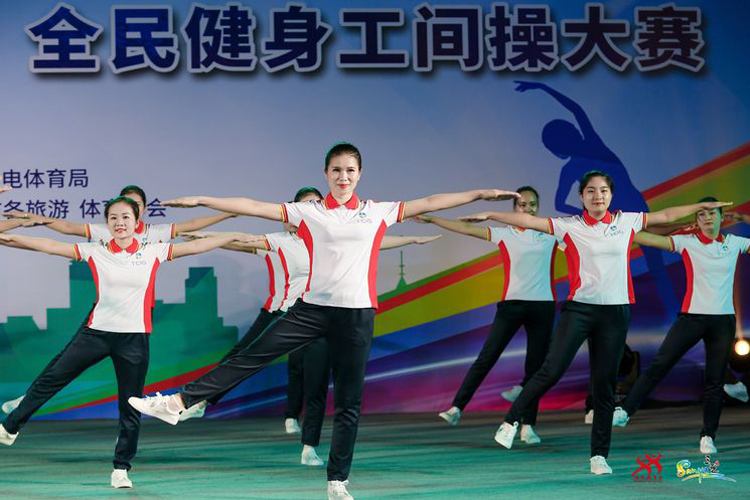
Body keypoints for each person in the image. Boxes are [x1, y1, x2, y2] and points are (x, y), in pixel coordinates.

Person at [128, 142, 519, 500]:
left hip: (357, 315)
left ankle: (337, 481)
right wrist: (202, 199)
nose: (343, 177)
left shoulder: (378, 211)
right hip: (311, 310)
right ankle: (178, 402)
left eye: (350, 170)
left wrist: (481, 193)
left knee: (349, 400)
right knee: (251, 355)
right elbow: (253, 205)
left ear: (359, 174)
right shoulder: (309, 212)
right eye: (336, 170)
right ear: (326, 174)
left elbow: (432, 201)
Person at [460, 170, 729, 475]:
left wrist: (700, 207)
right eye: (590, 191)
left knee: (604, 386)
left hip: (615, 314)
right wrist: (490, 214)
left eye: (603, 190)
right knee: (551, 369)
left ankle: (599, 456)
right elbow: (528, 221)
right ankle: (511, 421)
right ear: (582, 196)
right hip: (580, 310)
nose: (597, 196)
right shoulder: (570, 226)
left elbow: (665, 215)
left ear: (611, 195)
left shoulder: (626, 221)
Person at [0, 196, 257, 488]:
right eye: (113, 218)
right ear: (107, 223)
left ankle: (121, 468)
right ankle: (10, 428)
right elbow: (47, 245)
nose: (119, 223)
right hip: (95, 334)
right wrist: (9, 238)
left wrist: (232, 236)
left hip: (133, 339)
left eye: (125, 217)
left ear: (137, 222)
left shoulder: (154, 251)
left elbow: (196, 246)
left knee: (130, 404)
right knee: (52, 378)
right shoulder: (95, 251)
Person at [1, 185, 237, 415]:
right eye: (117, 213)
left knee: (130, 391)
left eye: (134, 206)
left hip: (136, 316)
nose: (121, 220)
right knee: (64, 361)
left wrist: (230, 213)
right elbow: (63, 232)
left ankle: (132, 430)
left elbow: (194, 228)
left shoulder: (155, 236)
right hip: (104, 312)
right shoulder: (107, 232)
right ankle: (28, 401)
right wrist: (30, 221)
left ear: (141, 210)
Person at [425, 186, 560, 446]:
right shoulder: (505, 234)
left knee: (535, 367)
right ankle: (457, 408)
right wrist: (432, 219)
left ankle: (528, 425)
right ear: (514, 208)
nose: (528, 209)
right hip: (512, 305)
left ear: (538, 207)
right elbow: (465, 228)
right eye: (522, 205)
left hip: (542, 306)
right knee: (487, 357)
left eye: (532, 204)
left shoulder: (551, 234)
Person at [612, 199, 749, 454]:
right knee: (659, 366)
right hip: (691, 319)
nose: (708, 218)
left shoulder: (735, 243)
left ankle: (708, 436)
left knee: (714, 382)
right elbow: (642, 237)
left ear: (722, 217)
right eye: (702, 214)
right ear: (696, 220)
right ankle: (625, 410)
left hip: (722, 321)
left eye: (713, 213)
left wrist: (742, 217)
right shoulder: (688, 242)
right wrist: (678, 226)